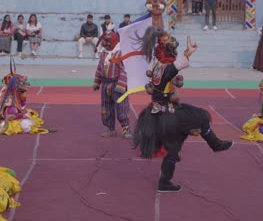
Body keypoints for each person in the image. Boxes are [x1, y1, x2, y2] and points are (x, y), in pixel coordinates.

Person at [133, 27, 233, 192]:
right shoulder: (165, 68)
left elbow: (174, 70)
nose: (172, 42)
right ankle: (215, 144)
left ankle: (164, 182)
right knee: (200, 117)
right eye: (168, 39)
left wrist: (186, 53)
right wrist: (188, 53)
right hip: (166, 113)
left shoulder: (159, 65)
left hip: (161, 112)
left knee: (173, 150)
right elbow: (176, 67)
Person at [92, 31, 131, 139]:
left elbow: (125, 70)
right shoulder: (104, 53)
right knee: (106, 107)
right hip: (105, 84)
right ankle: (111, 129)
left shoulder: (121, 53)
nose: (105, 43)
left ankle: (126, 128)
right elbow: (100, 68)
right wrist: (97, 81)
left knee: (122, 107)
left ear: (113, 41)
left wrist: (121, 84)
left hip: (117, 84)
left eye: (107, 41)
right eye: (104, 41)